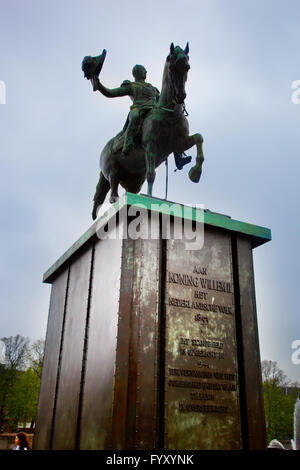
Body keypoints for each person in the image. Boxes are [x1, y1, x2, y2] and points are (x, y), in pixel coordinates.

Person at [91, 66, 191, 168]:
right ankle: (128, 142)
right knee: (135, 118)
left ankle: (179, 156)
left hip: (153, 111)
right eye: (143, 70)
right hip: (138, 109)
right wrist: (98, 85)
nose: (146, 71)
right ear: (137, 72)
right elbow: (111, 93)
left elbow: (162, 100)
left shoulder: (152, 88)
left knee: (170, 125)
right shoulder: (131, 86)